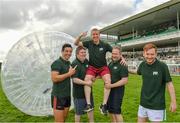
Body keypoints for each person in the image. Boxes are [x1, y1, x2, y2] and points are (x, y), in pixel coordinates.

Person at [129, 43, 177, 122]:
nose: (149, 56)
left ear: (156, 54)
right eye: (147, 54)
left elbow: (169, 84)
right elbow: (137, 72)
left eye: (152, 54)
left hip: (157, 105)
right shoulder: (142, 64)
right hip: (143, 103)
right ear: (144, 53)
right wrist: (126, 69)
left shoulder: (162, 66)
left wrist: (173, 101)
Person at [74, 28, 113, 115]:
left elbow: (115, 52)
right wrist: (80, 35)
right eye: (93, 34)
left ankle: (104, 105)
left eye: (96, 34)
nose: (95, 36)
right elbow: (76, 43)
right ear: (91, 36)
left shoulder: (105, 44)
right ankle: (88, 104)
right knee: (87, 80)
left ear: (99, 35)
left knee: (108, 81)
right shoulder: (89, 43)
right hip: (92, 67)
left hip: (103, 67)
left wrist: (122, 59)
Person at [51, 43, 76, 122]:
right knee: (59, 121)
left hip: (67, 96)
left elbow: (72, 76)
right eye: (66, 51)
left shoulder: (69, 63)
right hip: (58, 96)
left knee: (64, 119)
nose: (68, 53)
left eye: (70, 51)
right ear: (62, 51)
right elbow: (54, 78)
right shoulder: (57, 63)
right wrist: (69, 74)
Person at [105, 46, 128, 122]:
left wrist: (111, 85)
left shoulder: (122, 64)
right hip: (109, 91)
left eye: (116, 54)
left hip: (118, 92)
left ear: (120, 54)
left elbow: (125, 80)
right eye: (113, 53)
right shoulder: (111, 63)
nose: (114, 55)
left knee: (117, 112)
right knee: (111, 111)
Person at [71, 46, 94, 122]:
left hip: (88, 92)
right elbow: (74, 79)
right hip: (79, 94)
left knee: (90, 110)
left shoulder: (86, 61)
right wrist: (86, 82)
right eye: (82, 52)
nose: (84, 54)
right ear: (77, 54)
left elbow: (91, 73)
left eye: (85, 52)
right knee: (78, 113)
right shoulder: (74, 64)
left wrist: (93, 78)